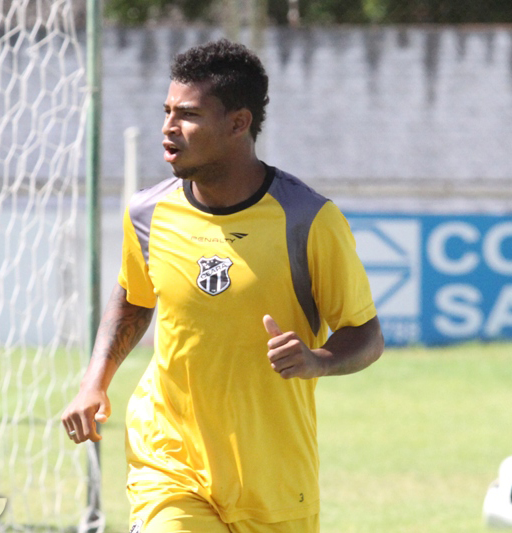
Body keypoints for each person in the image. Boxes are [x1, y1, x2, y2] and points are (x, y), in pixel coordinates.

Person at [61, 39, 384, 533]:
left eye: (187, 115)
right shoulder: (147, 213)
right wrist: (94, 382)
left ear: (239, 123)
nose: (168, 128)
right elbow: (133, 297)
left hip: (273, 475)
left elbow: (366, 337)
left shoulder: (308, 220)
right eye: (166, 111)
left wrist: (318, 360)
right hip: (168, 457)